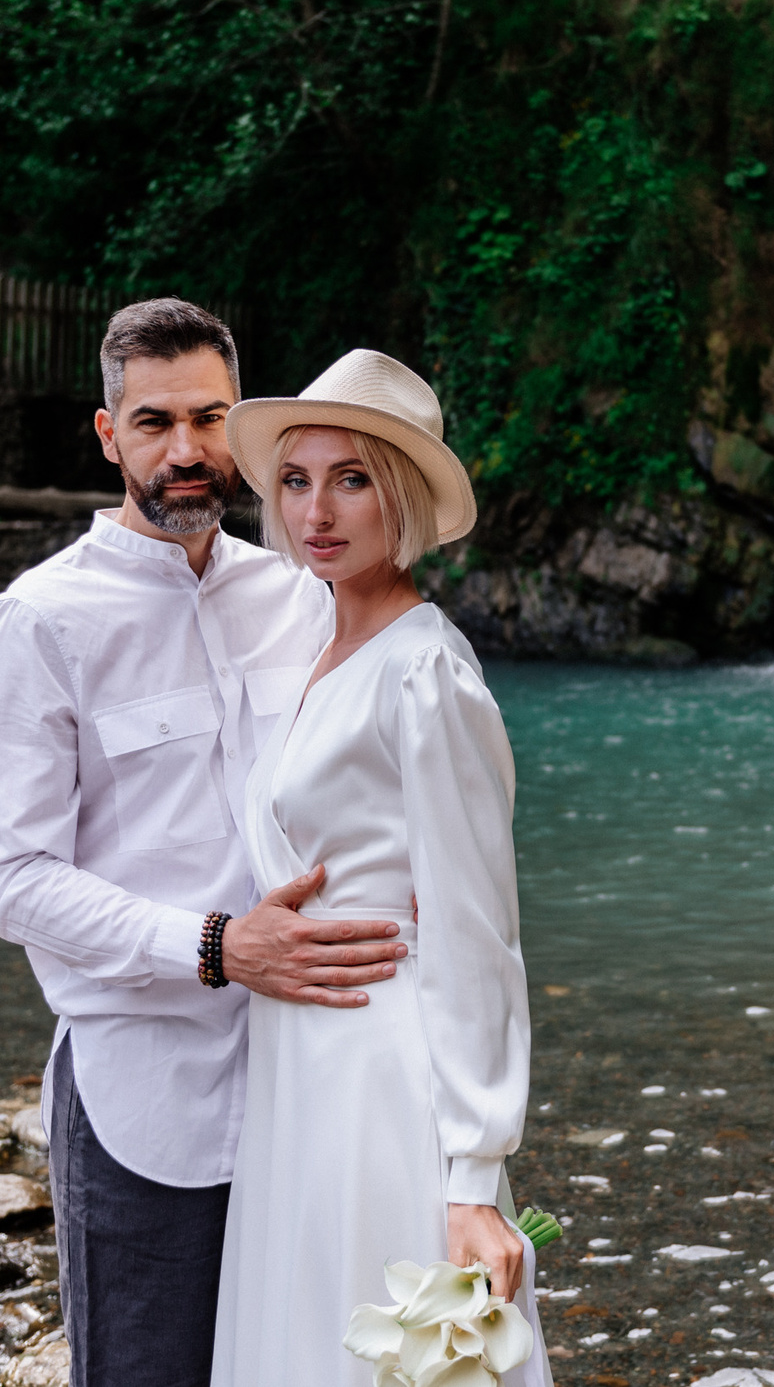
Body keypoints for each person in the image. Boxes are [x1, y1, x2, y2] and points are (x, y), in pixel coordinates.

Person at [0, 300, 412, 1387]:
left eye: (211, 417)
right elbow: (7, 881)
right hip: (142, 1101)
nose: (187, 451)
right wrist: (217, 946)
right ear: (109, 436)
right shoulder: (38, 624)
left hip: (310, 1083)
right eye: (154, 422)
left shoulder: (301, 594)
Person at [212, 349, 549, 1387]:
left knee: (391, 1349)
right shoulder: (319, 643)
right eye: (298, 480)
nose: (318, 509)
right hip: (297, 1068)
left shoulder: (425, 668)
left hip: (379, 1075)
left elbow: (475, 926)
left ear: (398, 496)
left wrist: (474, 1176)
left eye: (352, 478)